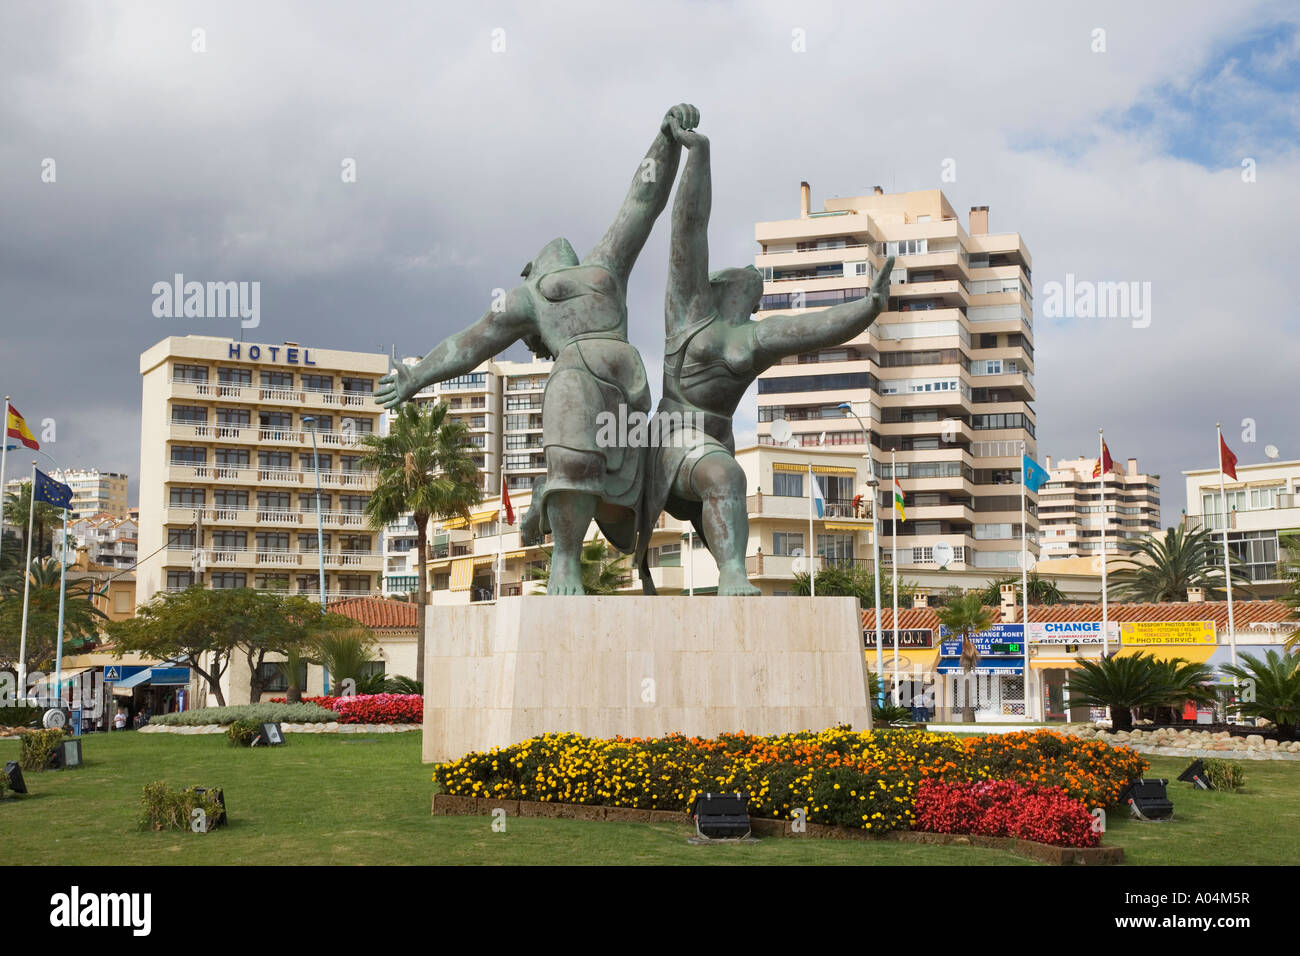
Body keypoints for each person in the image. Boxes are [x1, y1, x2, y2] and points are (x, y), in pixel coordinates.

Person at [375, 105, 700, 594]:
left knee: (623, 461)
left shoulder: (581, 272)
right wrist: (416, 378)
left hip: (622, 387)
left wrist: (665, 138)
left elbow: (644, 199)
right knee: (574, 460)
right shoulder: (559, 284)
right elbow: (469, 344)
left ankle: (578, 546)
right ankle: (565, 562)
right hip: (598, 378)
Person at [633, 123, 894, 593]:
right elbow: (688, 227)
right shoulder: (689, 311)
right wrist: (699, 156)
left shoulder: (756, 337)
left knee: (721, 471)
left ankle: (730, 571)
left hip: (712, 438)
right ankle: (733, 571)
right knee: (725, 474)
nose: (753, 277)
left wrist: (867, 306)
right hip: (671, 435)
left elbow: (815, 328)